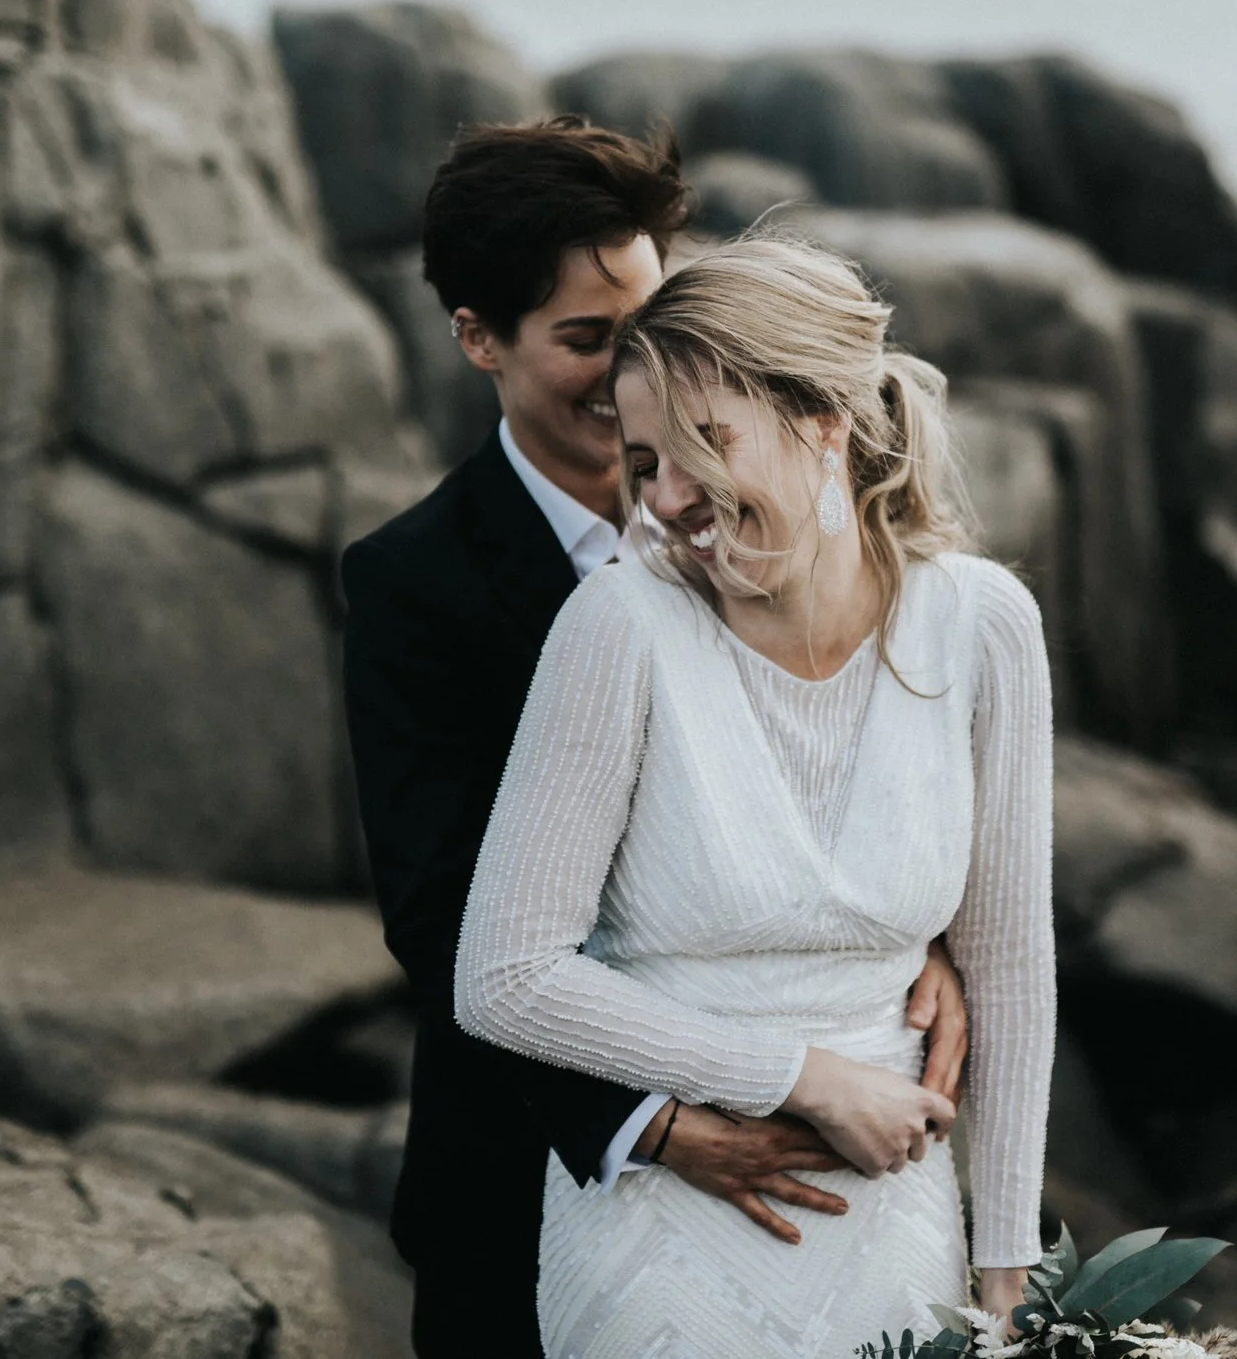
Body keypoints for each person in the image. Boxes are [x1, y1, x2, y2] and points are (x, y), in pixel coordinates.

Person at [341, 120, 971, 1359]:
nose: (628, 369)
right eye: (585, 339)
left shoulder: (810, 529)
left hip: (853, 1153)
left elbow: (882, 747)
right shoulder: (417, 584)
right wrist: (662, 1124)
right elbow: (441, 911)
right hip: (547, 1160)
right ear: (478, 337)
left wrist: (928, 927)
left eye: (644, 323)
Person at [455, 235, 1056, 1356]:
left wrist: (1006, 1280)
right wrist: (801, 1076)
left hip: (897, 1225)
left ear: (824, 417)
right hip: (660, 1247)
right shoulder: (617, 624)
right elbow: (502, 976)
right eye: (644, 463)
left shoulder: (981, 626)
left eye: (704, 444)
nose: (670, 497)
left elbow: (1009, 968)